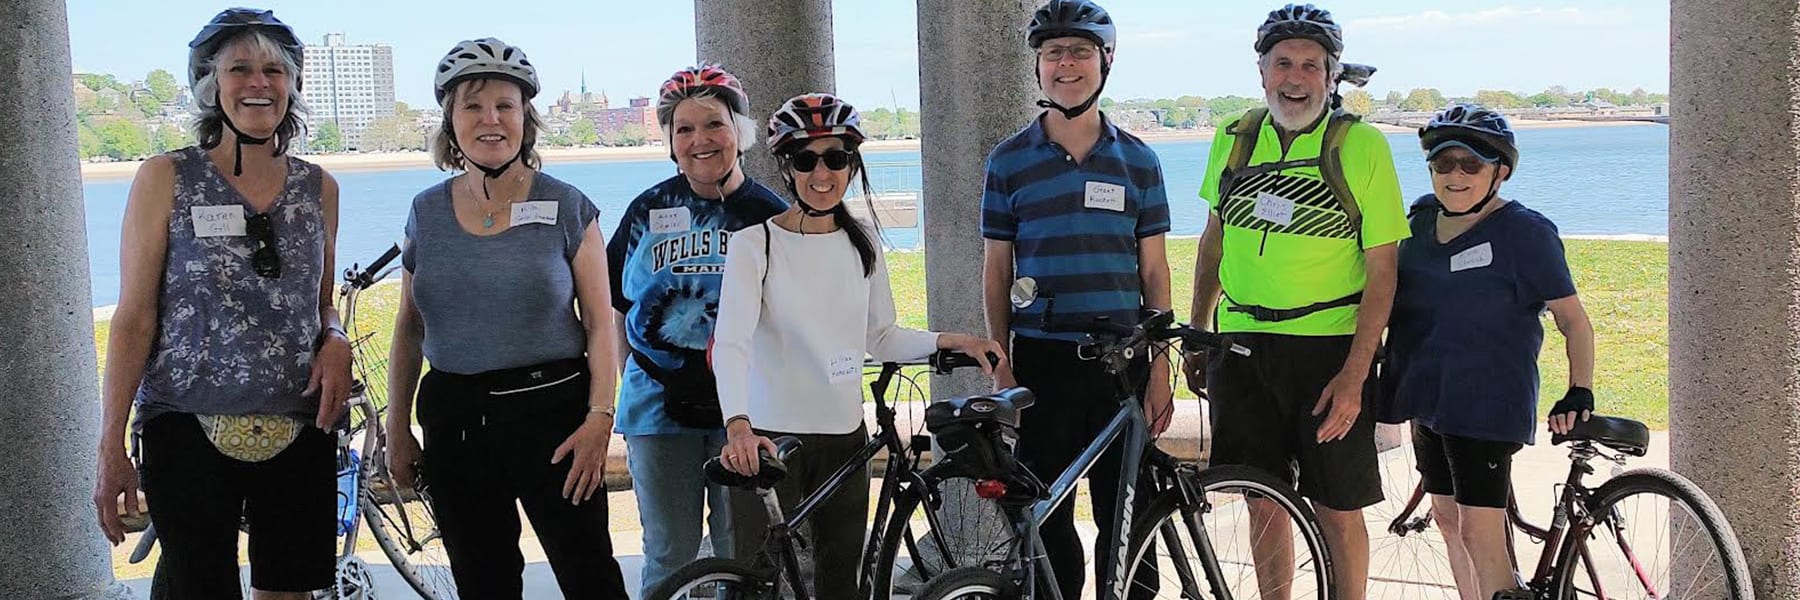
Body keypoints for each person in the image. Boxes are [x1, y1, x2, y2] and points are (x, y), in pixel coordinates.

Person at [92, 9, 349, 598]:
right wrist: (109, 445)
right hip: (185, 421)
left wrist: (334, 340)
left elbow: (322, 304)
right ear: (212, 85)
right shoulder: (166, 177)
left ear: (293, 85)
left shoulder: (320, 188)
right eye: (240, 69)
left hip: (300, 419)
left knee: (289, 589)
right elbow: (134, 315)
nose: (259, 83)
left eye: (273, 70)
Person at [713, 92, 1006, 599]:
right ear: (787, 168)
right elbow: (731, 343)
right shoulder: (754, 244)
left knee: (839, 581)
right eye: (806, 159)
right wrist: (737, 426)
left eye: (836, 158)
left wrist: (949, 340)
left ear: (852, 165)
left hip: (843, 439)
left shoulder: (862, 241)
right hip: (767, 437)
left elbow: (880, 336)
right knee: (754, 582)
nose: (821, 173)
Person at [382, 37, 628, 598]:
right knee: (482, 580)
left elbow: (598, 323)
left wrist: (598, 419)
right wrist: (398, 427)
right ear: (450, 121)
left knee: (589, 573)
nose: (490, 120)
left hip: (554, 414)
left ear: (526, 119)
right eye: (473, 106)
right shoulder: (426, 210)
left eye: (505, 106)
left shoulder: (566, 205)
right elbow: (409, 326)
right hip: (455, 418)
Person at [1185, 4, 1409, 598]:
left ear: (1331, 76)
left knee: (1337, 503)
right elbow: (1215, 238)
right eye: (1283, 62)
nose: (1295, 77)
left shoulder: (1361, 146)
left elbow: (1384, 272)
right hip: (1240, 343)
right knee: (1263, 498)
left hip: (1327, 350)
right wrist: (1197, 328)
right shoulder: (1232, 138)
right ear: (1261, 72)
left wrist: (1356, 375)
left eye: (1311, 65)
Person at [980, 1, 1174, 597]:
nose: (1067, 64)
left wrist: (1162, 367)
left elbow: (1155, 271)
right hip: (1044, 360)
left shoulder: (1139, 160)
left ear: (1105, 61)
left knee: (1131, 519)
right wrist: (1000, 357)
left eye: (1081, 52)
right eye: (1053, 53)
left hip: (1124, 361)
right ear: (1037, 67)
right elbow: (996, 270)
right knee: (1047, 517)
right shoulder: (1008, 161)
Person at [1383, 104, 1596, 600]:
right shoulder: (1416, 223)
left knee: (1482, 532)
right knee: (1448, 519)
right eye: (1443, 163)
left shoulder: (1525, 233)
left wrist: (1578, 388)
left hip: (1486, 402)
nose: (1455, 175)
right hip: (1426, 397)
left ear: (1499, 171)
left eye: (1470, 164)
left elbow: (1572, 320)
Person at [607, 63, 787, 596]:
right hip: (657, 406)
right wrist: (630, 381)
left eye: (714, 124)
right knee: (668, 552)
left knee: (742, 553)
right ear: (669, 140)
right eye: (684, 129)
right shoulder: (647, 209)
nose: (700, 140)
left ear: (740, 132)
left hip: (746, 407)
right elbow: (617, 305)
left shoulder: (769, 214)